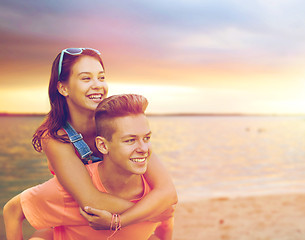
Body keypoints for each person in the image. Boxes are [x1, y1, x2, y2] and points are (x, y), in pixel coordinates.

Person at [3, 48, 177, 238]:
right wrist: (152, 213)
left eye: (101, 78)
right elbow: (90, 199)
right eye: (86, 78)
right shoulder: (54, 137)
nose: (97, 85)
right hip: (74, 214)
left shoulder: (116, 122)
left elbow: (165, 189)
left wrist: (142, 214)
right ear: (63, 88)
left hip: (107, 216)